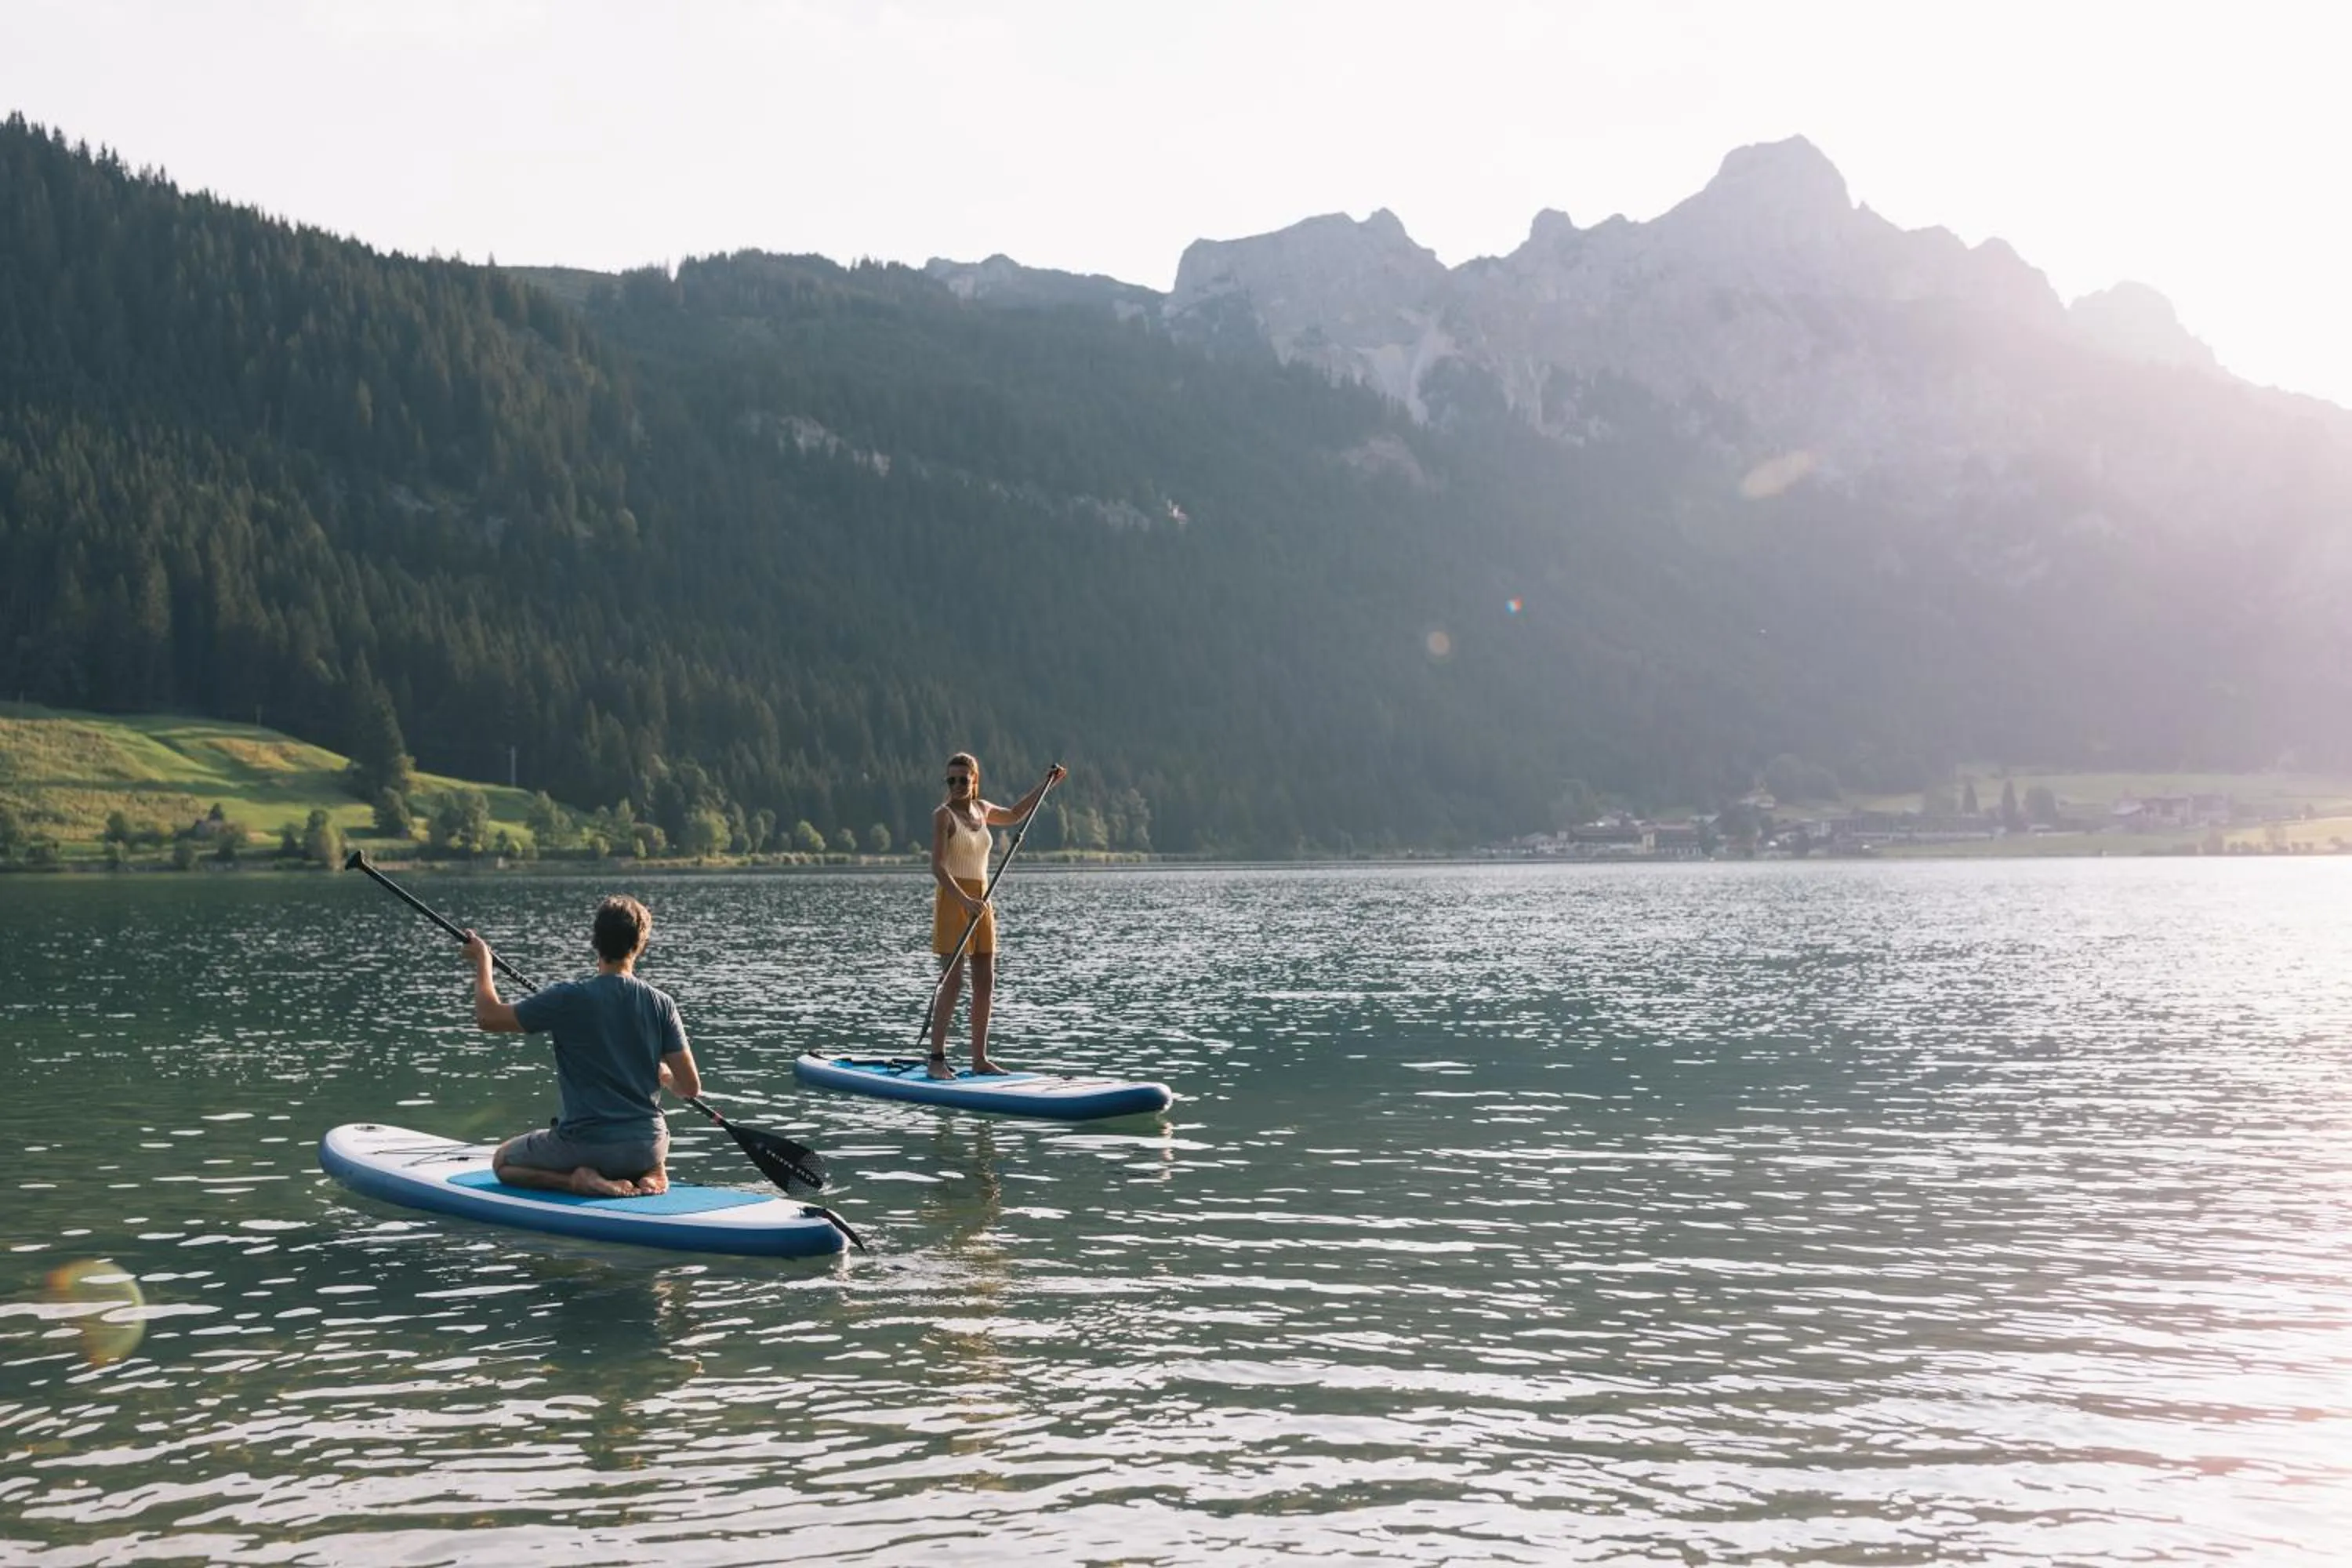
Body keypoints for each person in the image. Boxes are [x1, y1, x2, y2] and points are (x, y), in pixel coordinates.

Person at [463, 894, 701, 1197]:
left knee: (503, 1163)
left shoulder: (568, 998)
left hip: (589, 1146)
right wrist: (665, 1075)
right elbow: (690, 1089)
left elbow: (489, 1018)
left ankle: (577, 1181)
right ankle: (652, 1170)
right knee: (646, 1138)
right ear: (640, 945)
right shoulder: (662, 1003)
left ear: (596, 942)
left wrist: (483, 960)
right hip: (648, 1145)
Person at [928, 753, 1065, 1078]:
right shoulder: (943, 816)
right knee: (954, 981)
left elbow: (1017, 814)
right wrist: (963, 900)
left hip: (983, 898)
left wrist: (1046, 785)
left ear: (975, 780)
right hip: (954, 899)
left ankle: (979, 1059)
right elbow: (937, 866)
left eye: (963, 779)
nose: (958, 785)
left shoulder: (984, 809)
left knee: (986, 980)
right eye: (951, 780)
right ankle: (936, 1059)